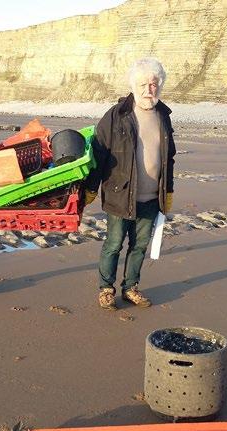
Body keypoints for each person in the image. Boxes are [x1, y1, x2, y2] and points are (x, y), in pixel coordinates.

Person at [84, 57, 175, 310]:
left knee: (139, 246)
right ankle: (106, 289)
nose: (149, 89)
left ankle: (130, 288)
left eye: (154, 84)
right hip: (120, 195)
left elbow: (169, 157)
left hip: (151, 198)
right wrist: (91, 188)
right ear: (133, 86)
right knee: (113, 245)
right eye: (143, 84)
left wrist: (168, 190)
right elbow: (99, 153)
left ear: (160, 85)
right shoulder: (117, 115)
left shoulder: (163, 116)